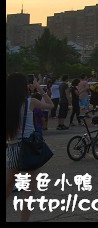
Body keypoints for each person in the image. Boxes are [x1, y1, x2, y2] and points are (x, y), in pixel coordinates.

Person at [6, 73, 54, 222]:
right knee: (29, 193)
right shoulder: (31, 102)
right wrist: (40, 88)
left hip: (12, 149)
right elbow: (50, 105)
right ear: (24, 86)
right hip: (29, 148)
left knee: (8, 188)